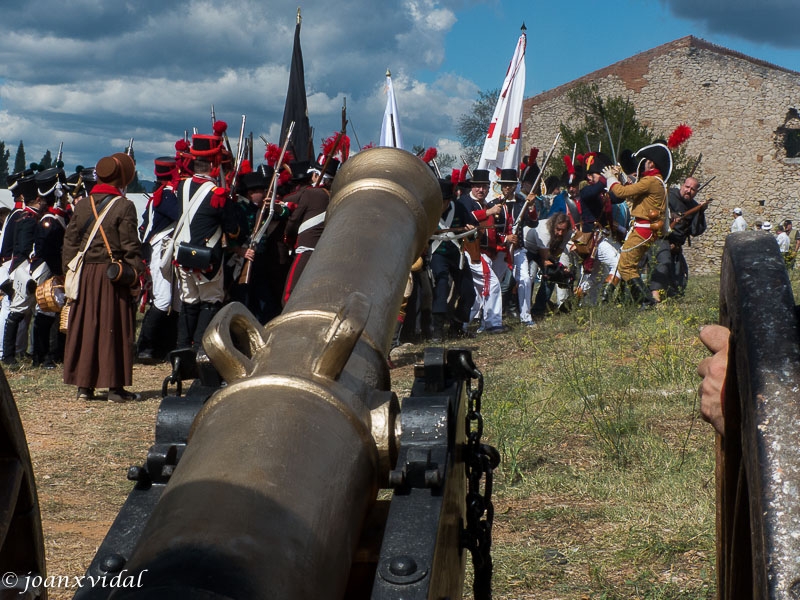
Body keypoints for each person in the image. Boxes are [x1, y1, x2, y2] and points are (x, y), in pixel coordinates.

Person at [62, 153, 142, 402]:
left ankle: (83, 388)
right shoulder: (125, 205)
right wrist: (134, 275)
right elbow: (130, 245)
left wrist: (70, 272)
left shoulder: (83, 204)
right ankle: (114, 389)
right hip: (112, 276)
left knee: (86, 328)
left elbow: (70, 242)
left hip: (86, 274)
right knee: (113, 328)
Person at [171, 128, 241, 350]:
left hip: (182, 254)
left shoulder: (181, 186)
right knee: (210, 302)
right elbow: (232, 231)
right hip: (206, 259)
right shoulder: (217, 194)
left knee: (189, 302)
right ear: (214, 166)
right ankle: (200, 349)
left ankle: (182, 348)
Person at [601, 142, 672, 306]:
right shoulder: (655, 181)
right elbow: (632, 193)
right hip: (643, 229)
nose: (644, 163)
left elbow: (621, 192)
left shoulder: (651, 181)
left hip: (643, 229)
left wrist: (610, 177)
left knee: (626, 267)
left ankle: (646, 302)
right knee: (625, 265)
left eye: (646, 160)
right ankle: (640, 301)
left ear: (651, 163)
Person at [136, 156, 181, 363]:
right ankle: (146, 347)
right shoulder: (166, 195)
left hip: (168, 248)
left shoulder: (164, 194)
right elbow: (180, 214)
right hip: (162, 248)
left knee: (175, 298)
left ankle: (166, 345)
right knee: (163, 299)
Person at [282, 155, 338, 305]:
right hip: (325, 253)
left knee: (289, 295)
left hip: (306, 249)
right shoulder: (336, 196)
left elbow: (293, 222)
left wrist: (288, 237)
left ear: (315, 175)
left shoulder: (311, 193)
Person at [429, 178, 478, 340]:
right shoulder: (427, 210)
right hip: (437, 254)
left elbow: (471, 234)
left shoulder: (459, 208)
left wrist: (471, 232)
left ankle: (456, 326)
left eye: (444, 201)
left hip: (457, 254)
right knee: (441, 284)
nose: (441, 204)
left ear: (449, 199)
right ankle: (437, 330)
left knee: (469, 291)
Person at [458, 169, 505, 333]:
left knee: (477, 295)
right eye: (477, 186)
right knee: (492, 285)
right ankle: (493, 323)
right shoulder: (464, 201)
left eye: (484, 187)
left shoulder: (485, 203)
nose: (481, 190)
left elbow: (493, 231)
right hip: (472, 253)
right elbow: (469, 217)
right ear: (472, 187)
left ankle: (461, 325)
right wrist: (489, 212)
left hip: (485, 253)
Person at [648, 176, 709, 301]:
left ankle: (670, 301)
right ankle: (655, 298)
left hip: (676, 246)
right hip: (661, 238)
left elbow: (695, 231)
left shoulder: (694, 206)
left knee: (679, 278)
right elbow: (654, 211)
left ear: (696, 192)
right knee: (663, 263)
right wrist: (670, 216)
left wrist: (700, 212)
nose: (688, 191)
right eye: (687, 187)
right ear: (682, 185)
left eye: (692, 189)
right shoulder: (668, 195)